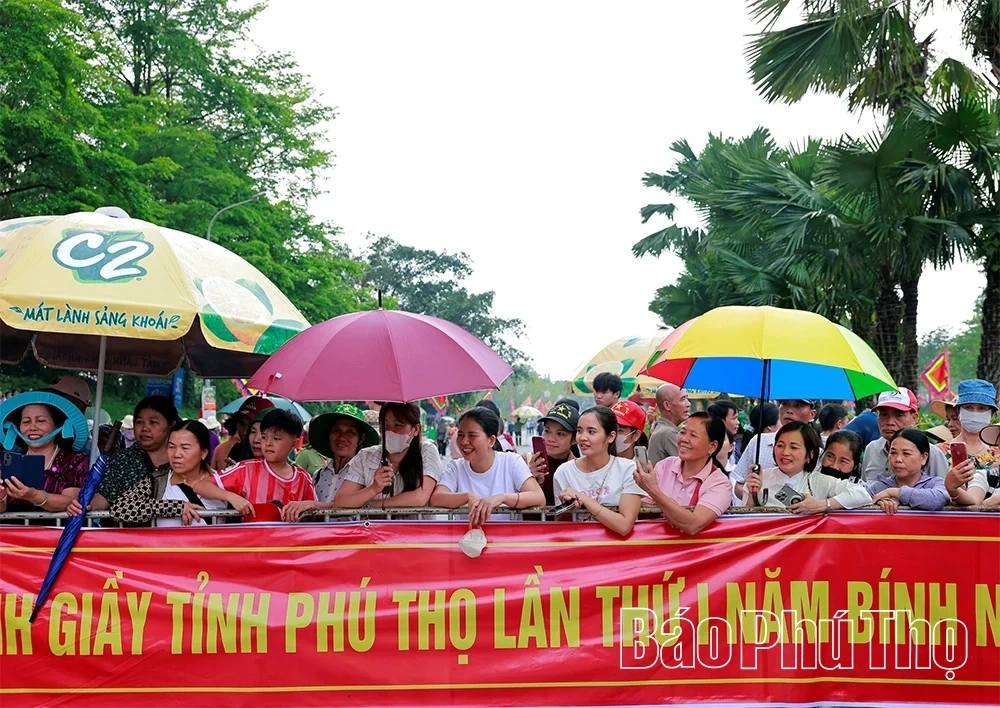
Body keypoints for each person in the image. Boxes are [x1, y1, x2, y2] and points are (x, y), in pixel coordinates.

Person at [110, 420, 252, 526]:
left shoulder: (222, 481)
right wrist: (174, 507)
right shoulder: (158, 481)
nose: (176, 454)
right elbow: (119, 508)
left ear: (203, 453)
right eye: (171, 447)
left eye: (185, 448)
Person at [431, 408, 545, 524]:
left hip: (508, 539)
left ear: (491, 440)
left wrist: (502, 498)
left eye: (472, 436)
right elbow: (436, 498)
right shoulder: (455, 467)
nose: (464, 441)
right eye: (460, 434)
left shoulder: (512, 462)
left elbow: (538, 498)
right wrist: (466, 497)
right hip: (468, 539)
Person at [633, 412, 732, 534]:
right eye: (683, 432)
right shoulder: (665, 466)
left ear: (712, 446)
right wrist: (672, 511)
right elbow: (643, 508)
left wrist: (654, 491)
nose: (684, 439)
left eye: (693, 435)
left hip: (696, 552)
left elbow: (694, 525)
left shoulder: (719, 483)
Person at [744, 422, 872, 513]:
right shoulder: (759, 479)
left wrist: (822, 505)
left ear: (810, 455)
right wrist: (752, 495)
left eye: (793, 447)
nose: (785, 452)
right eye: (780, 445)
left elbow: (862, 494)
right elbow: (743, 519)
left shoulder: (819, 481)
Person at [553, 406, 643, 536]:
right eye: (579, 431)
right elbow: (560, 526)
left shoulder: (628, 469)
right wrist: (568, 509)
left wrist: (585, 499)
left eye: (591, 432)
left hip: (617, 550)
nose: (583, 437)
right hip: (578, 547)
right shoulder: (564, 472)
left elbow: (624, 526)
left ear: (611, 437)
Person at [334, 402, 441, 509]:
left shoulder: (426, 450)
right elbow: (342, 501)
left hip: (415, 525)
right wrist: (373, 489)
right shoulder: (365, 456)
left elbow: (420, 497)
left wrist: (373, 505)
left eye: (398, 425)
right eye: (385, 425)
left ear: (416, 429)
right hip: (375, 526)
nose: (390, 431)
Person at [283, 404, 380, 521]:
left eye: (350, 432)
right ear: (328, 435)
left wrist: (312, 505)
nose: (342, 437)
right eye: (336, 431)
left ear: (361, 438)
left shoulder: (367, 476)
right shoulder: (318, 476)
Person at [0, 392, 91, 514]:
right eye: (26, 422)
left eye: (41, 421)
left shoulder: (74, 460)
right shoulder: (8, 461)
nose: (32, 427)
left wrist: (34, 496)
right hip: (13, 532)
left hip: (57, 532)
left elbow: (72, 500)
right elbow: (3, 506)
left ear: (57, 425)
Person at [92, 396, 182, 511]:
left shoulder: (183, 461)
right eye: (139, 422)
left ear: (171, 425)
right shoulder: (121, 460)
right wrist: (87, 505)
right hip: (123, 528)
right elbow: (104, 497)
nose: (145, 428)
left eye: (153, 422)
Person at [220, 409, 316, 506]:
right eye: (264, 437)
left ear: (294, 443)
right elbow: (206, 485)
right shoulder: (245, 469)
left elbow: (315, 513)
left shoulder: (303, 478)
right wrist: (232, 497)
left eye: (276, 438)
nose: (268, 443)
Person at [862, 388, 949, 481]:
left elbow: (944, 492)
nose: (890, 422)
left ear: (914, 418)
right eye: (884, 414)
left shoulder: (933, 454)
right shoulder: (871, 449)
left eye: (899, 415)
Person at [941, 380, 1000, 507]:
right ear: (958, 411)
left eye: (982, 408)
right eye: (968, 407)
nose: (975, 413)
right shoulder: (938, 451)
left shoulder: (998, 453)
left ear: (993, 414)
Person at [864, 429, 950, 513]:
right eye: (893, 453)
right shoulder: (879, 487)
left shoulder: (935, 483)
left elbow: (938, 499)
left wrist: (894, 492)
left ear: (923, 458)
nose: (898, 459)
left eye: (906, 454)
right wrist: (876, 503)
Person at [525, 401, 579, 505]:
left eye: (560, 434)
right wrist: (528, 478)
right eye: (547, 431)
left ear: (574, 439)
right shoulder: (524, 462)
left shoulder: (579, 468)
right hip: (531, 521)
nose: (551, 439)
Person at [731, 402, 784, 501]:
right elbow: (739, 486)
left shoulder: (814, 449)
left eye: (798, 406)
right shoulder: (757, 442)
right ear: (770, 427)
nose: (789, 411)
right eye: (785, 404)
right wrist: (757, 498)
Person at [210, 397, 274, 470]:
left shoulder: (285, 468)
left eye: (260, 430)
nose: (245, 432)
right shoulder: (235, 452)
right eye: (242, 423)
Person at [648, 384, 690, 464]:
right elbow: (689, 465)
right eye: (682, 399)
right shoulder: (668, 433)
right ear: (667, 405)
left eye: (687, 399)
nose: (688, 404)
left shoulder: (661, 428)